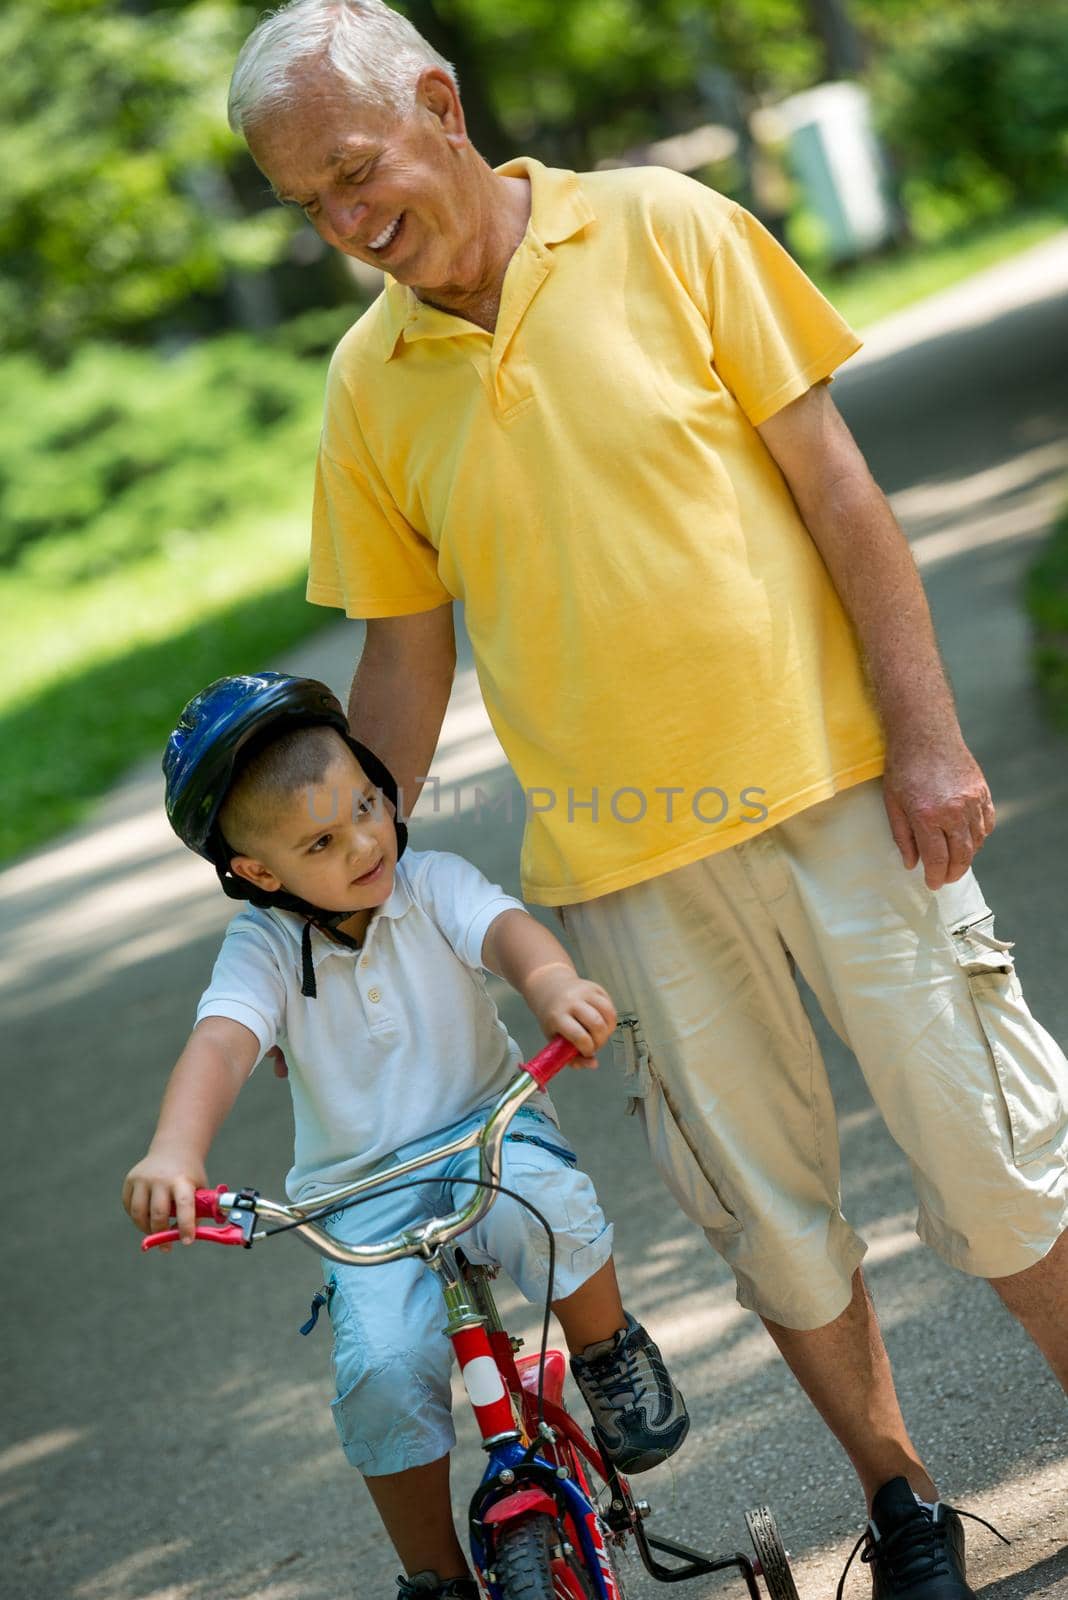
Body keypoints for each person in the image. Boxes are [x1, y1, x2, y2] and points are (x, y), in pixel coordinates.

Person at [225, 5, 1068, 1596]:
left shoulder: (667, 226)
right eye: (307, 205)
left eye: (353, 172)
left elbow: (839, 489)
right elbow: (403, 658)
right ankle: (901, 1504)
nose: (345, 222)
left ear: (439, 100)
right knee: (772, 1221)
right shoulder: (370, 385)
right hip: (625, 867)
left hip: (845, 796)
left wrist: (932, 734)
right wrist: (334, 871)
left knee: (996, 1149)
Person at [121, 672, 689, 1600]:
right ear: (259, 874)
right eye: (321, 840)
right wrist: (176, 1151)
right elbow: (221, 1047)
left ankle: (608, 1353)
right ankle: (433, 1573)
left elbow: (504, 932)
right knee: (380, 1369)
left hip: (487, 1137)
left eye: (369, 807)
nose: (365, 843)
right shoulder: (261, 951)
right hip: (359, 1194)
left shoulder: (428, 884)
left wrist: (549, 988)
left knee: (551, 1211)